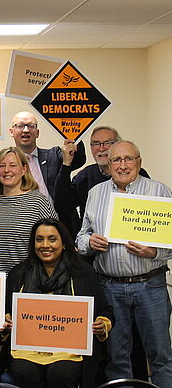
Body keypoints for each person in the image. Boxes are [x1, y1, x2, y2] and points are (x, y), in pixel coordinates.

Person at [76, 140, 172, 387]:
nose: (122, 165)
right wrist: (89, 242)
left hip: (150, 285)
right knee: (116, 357)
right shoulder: (95, 193)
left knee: (160, 356)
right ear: (108, 165)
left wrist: (153, 252)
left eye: (128, 159)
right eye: (116, 160)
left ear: (139, 162)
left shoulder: (159, 191)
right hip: (110, 288)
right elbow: (81, 236)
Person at [5, 218, 113, 388]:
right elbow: (5, 311)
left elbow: (105, 311)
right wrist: (7, 320)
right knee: (24, 370)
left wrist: (102, 324)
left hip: (69, 351)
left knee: (60, 373)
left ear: (63, 243)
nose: (45, 245)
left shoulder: (83, 273)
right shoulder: (20, 273)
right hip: (27, 350)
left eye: (52, 239)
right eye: (39, 239)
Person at [0, 147, 58, 273]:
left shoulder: (38, 202)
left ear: (24, 169)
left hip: (28, 284)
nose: (7, 170)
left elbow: (54, 243)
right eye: (2, 166)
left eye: (13, 165)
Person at [54, 126, 150, 222]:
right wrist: (66, 163)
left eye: (107, 143)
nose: (101, 148)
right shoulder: (84, 176)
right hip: (92, 235)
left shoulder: (136, 173)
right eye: (96, 144)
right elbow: (62, 206)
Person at [10, 111, 86, 232]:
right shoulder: (8, 164)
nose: (25, 130)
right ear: (11, 132)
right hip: (23, 227)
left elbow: (77, 160)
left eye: (31, 126)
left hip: (60, 224)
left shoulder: (54, 154)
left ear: (37, 133)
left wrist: (74, 137)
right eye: (20, 126)